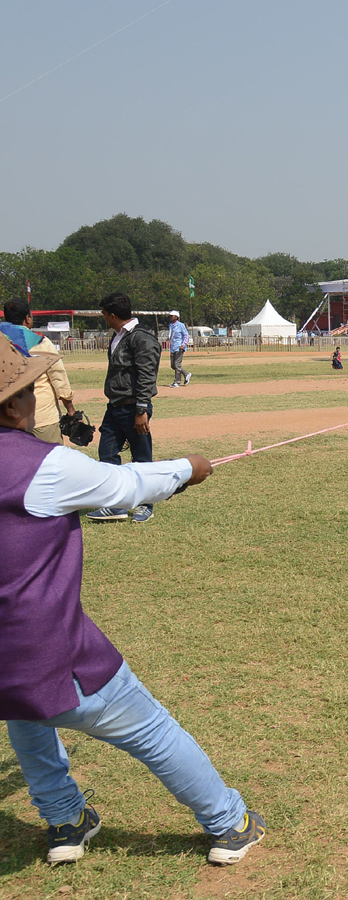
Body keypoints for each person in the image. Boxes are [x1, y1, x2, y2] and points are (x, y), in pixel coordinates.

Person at [0, 338, 265, 867]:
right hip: (53, 650)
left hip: (6, 663)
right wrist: (188, 468)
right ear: (11, 405)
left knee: (25, 715)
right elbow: (124, 485)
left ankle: (66, 821)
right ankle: (228, 821)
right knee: (150, 729)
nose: (35, 400)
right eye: (29, 390)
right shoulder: (42, 466)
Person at [85, 293, 161, 524]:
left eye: (104, 315)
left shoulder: (142, 339)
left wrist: (141, 411)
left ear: (113, 315)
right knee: (107, 455)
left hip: (133, 409)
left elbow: (147, 375)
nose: (104, 319)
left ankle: (145, 504)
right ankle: (115, 505)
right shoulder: (117, 336)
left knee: (141, 457)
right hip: (114, 407)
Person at [0, 299, 77, 444]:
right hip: (41, 415)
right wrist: (70, 408)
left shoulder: (1, 341)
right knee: (50, 462)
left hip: (7, 418)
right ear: (28, 318)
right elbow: (58, 377)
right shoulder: (40, 341)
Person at [167, 311, 192, 388]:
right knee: (173, 365)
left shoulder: (181, 325)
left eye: (172, 316)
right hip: (173, 347)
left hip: (179, 347)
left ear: (176, 317)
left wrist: (183, 344)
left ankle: (177, 382)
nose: (170, 317)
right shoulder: (171, 325)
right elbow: (171, 335)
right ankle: (186, 373)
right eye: (170, 316)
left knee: (177, 365)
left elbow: (186, 335)